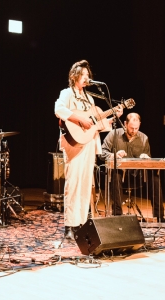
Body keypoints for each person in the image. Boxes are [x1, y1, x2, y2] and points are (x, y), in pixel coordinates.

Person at [54, 60, 123, 240]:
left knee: (86, 185)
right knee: (73, 183)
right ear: (74, 76)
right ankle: (70, 225)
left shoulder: (90, 98)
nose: (87, 78)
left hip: (89, 143)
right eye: (83, 75)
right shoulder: (67, 93)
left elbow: (95, 125)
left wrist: (111, 118)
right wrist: (79, 120)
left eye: (88, 75)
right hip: (73, 143)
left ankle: (82, 222)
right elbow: (59, 109)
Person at [99, 112, 165, 222]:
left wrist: (146, 158)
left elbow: (149, 161)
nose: (134, 131)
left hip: (137, 177)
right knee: (117, 172)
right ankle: (117, 215)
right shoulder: (113, 134)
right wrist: (113, 155)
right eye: (131, 128)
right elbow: (101, 153)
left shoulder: (144, 138)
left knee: (154, 175)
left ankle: (159, 216)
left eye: (136, 128)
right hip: (119, 178)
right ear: (125, 124)